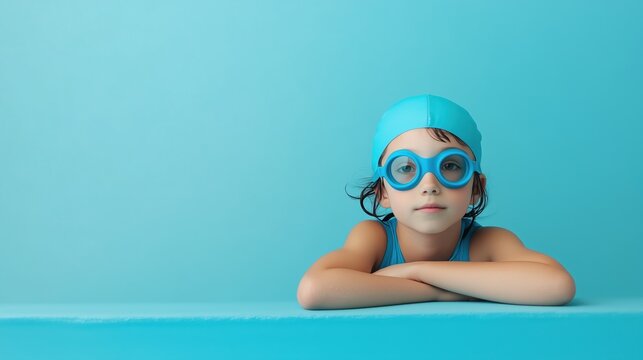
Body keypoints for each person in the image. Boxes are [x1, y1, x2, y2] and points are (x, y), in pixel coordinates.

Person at [297, 94, 576, 310]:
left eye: (451, 166)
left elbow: (556, 285)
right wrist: (440, 291)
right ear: (383, 191)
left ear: (476, 186)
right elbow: (315, 290)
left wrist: (415, 271)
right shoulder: (374, 238)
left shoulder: (488, 242)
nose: (429, 185)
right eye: (406, 168)